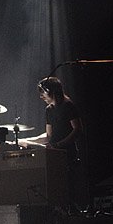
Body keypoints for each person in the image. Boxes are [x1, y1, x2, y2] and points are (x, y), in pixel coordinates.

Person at [37, 76, 85, 206]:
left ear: (51, 91)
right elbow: (49, 135)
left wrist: (59, 145)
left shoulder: (68, 105)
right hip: (54, 155)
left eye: (43, 93)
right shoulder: (49, 110)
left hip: (68, 153)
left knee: (70, 188)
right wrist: (25, 140)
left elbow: (77, 129)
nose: (41, 96)